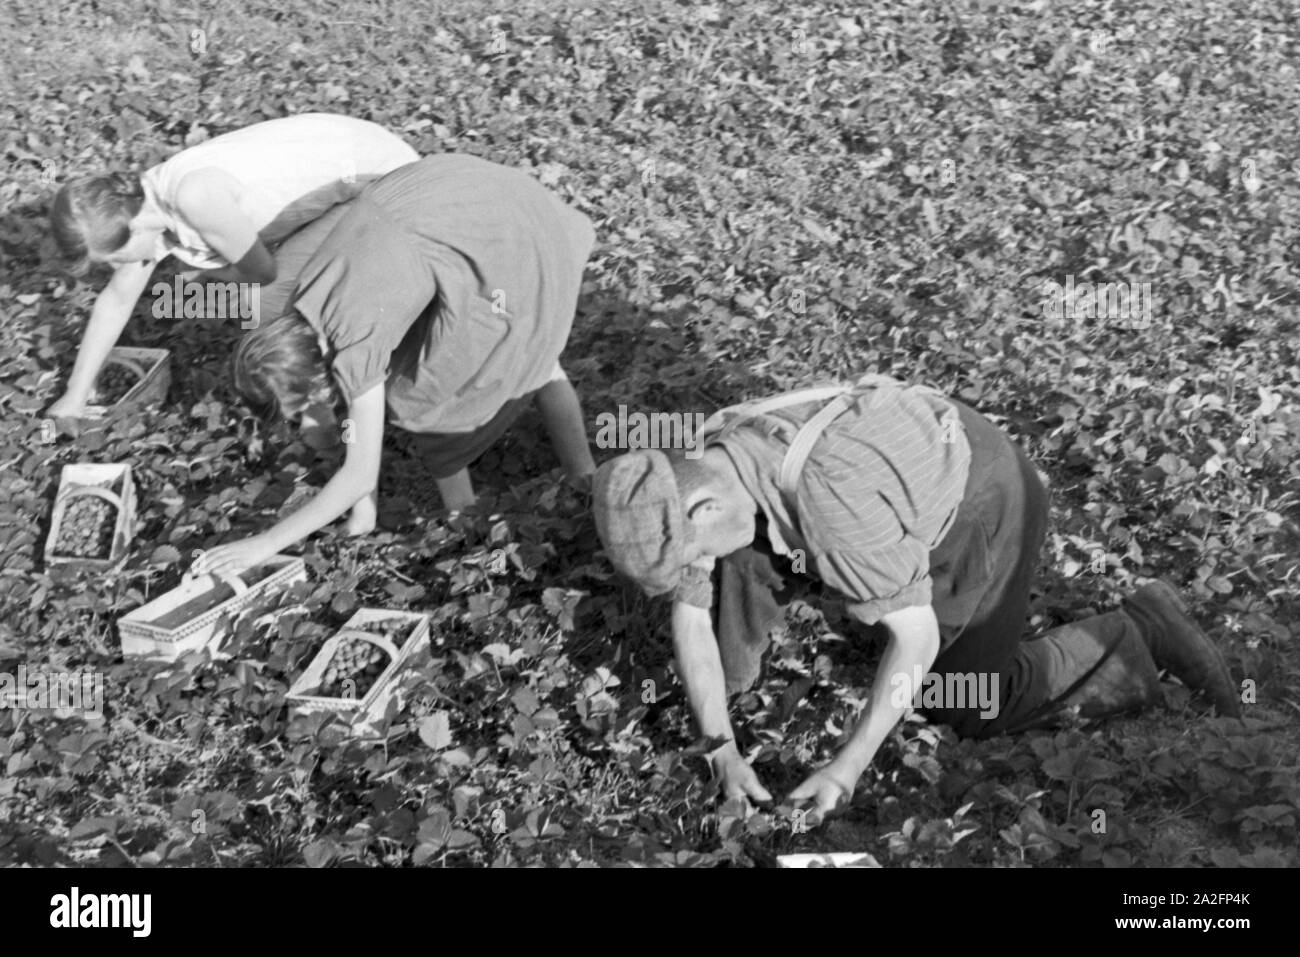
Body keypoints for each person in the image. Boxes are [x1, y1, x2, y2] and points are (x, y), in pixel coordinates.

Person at [592, 373, 1240, 822]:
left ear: (701, 505)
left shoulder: (833, 507)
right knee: (735, 568)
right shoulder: (712, 457)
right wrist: (719, 747)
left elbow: (917, 639)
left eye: (691, 552)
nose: (695, 568)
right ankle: (734, 715)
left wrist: (846, 767)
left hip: (982, 500)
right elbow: (690, 605)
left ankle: (1138, 632)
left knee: (956, 698)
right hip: (892, 468)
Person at [192, 154, 597, 577]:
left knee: (426, 398)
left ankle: (468, 521)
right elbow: (348, 413)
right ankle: (579, 471)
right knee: (522, 348)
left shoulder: (352, 343)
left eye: (302, 409)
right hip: (472, 199)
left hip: (501, 244)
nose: (306, 420)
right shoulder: (309, 299)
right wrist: (362, 514)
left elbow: (359, 473)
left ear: (312, 384)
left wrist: (266, 543)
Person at [46, 112, 419, 418]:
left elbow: (262, 274)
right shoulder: (144, 202)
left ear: (130, 229)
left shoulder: (194, 198)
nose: (115, 268)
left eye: (111, 260)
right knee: (238, 296)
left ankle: (317, 414)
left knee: (264, 304)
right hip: (358, 164)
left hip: (390, 181)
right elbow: (115, 302)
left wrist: (205, 277)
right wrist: (74, 397)